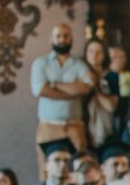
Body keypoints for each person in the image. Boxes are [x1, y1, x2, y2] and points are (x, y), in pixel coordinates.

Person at [30, 23, 93, 162]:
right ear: (51, 39)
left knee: (78, 166)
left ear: (71, 39)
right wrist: (72, 91)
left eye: (66, 36)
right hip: (48, 127)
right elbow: (40, 90)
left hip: (74, 127)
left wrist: (55, 85)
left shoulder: (79, 65)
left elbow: (86, 87)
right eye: (58, 36)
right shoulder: (40, 63)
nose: (62, 39)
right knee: (48, 170)